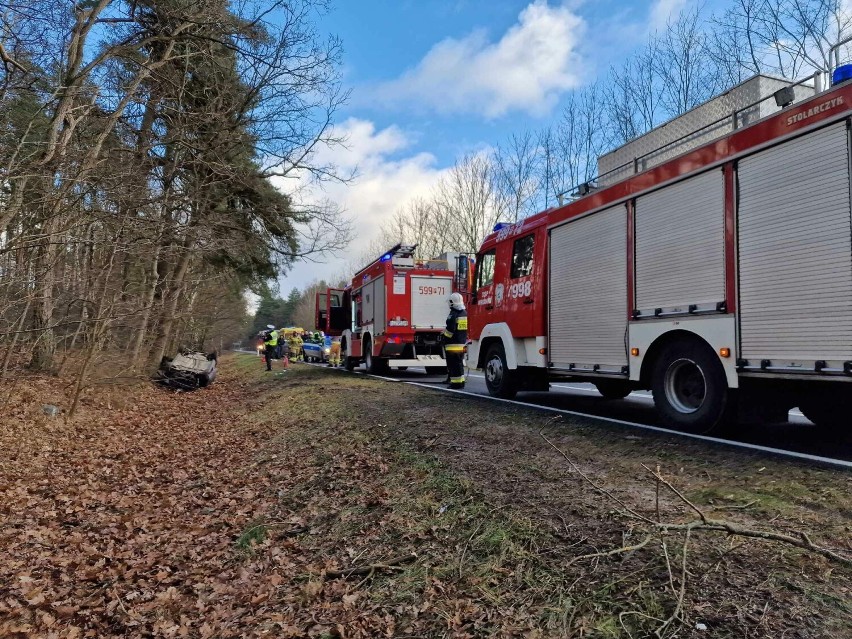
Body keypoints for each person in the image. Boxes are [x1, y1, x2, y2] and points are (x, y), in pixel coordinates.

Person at [441, 292, 468, 389]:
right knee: (459, 363)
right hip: (462, 343)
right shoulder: (465, 313)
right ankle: (461, 382)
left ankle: (455, 384)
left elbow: (450, 330)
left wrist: (444, 335)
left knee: (453, 365)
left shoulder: (453, 314)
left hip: (452, 345)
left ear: (452, 302)